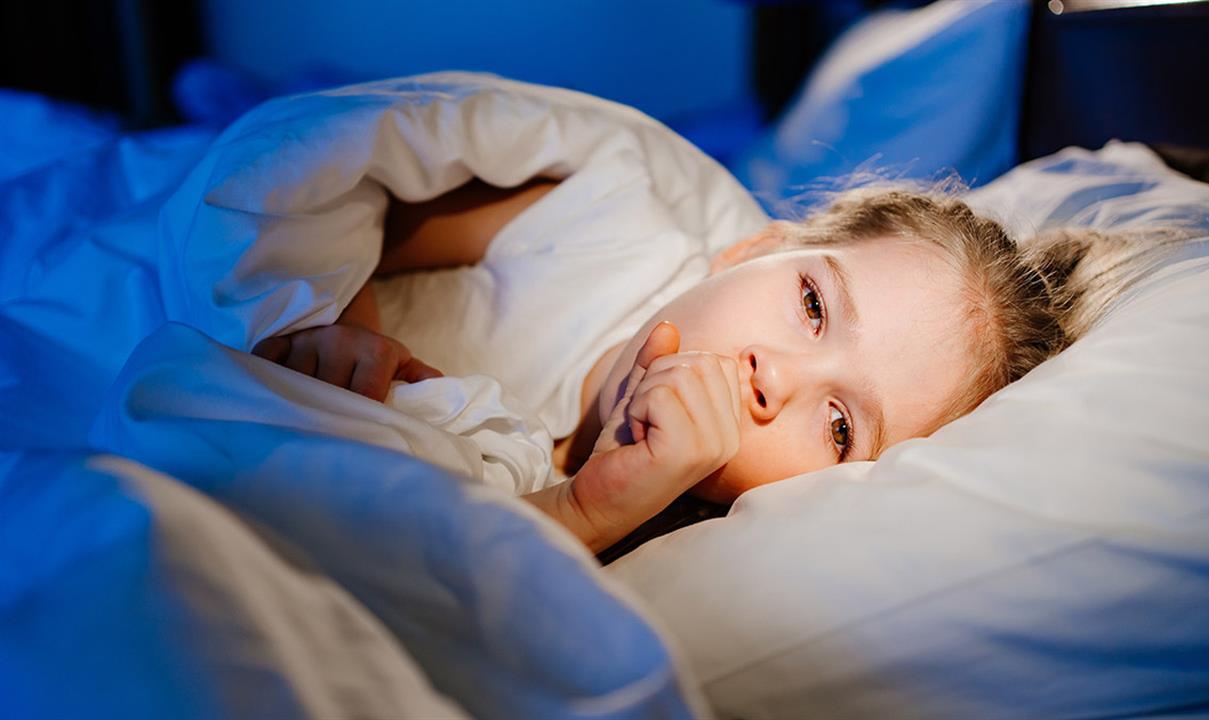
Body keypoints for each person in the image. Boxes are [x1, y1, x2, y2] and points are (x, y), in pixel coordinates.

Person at [252, 177, 1162, 554]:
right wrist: (340, 321)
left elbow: (410, 567)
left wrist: (588, 509)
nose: (776, 378)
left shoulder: (664, 547)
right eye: (812, 306)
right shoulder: (603, 224)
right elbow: (346, 205)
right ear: (754, 249)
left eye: (839, 426)